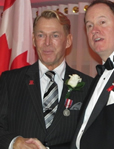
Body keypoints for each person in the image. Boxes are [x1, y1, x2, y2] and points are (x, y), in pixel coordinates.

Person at [26, 0, 114, 149]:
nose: (94, 30)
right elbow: (84, 141)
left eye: (102, 22)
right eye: (89, 25)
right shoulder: (96, 80)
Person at [0, 10, 92, 149]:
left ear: (68, 41)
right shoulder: (9, 81)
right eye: (41, 35)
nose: (47, 42)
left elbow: (93, 139)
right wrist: (14, 142)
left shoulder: (88, 86)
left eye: (55, 35)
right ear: (33, 40)